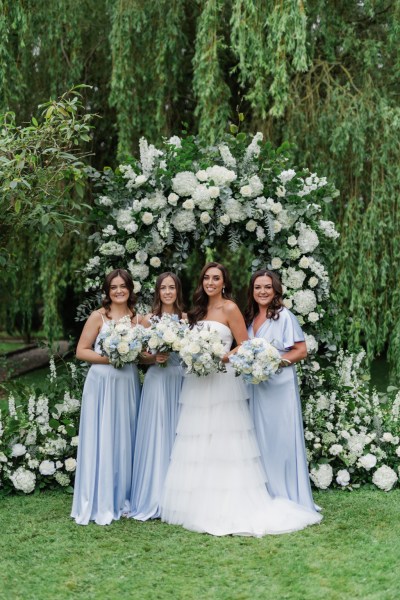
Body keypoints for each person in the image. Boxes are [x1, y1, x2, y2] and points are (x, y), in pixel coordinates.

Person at [160, 262, 322, 536]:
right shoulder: (197, 311)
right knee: (198, 437)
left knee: (226, 439)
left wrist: (224, 355)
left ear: (224, 282)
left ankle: (231, 500)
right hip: (199, 383)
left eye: (216, 278)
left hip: (223, 381)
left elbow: (243, 344)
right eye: (206, 278)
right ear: (201, 282)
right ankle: (199, 500)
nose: (210, 282)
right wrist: (194, 353)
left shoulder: (232, 308)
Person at [71, 269, 142, 525]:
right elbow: (81, 351)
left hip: (127, 384)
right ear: (107, 291)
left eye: (123, 286)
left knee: (125, 438)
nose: (119, 291)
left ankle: (122, 496)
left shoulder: (138, 320)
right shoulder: (98, 317)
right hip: (101, 383)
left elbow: (145, 352)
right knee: (101, 436)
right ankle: (98, 498)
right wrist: (111, 358)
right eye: (114, 287)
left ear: (130, 289)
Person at [245, 269, 319, 512]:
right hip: (257, 387)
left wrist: (275, 362)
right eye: (258, 287)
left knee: (281, 438)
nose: (262, 291)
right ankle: (264, 492)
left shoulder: (284, 316)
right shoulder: (250, 317)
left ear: (276, 289)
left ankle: (286, 492)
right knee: (259, 437)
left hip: (279, 386)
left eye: (267, 287)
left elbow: (301, 350)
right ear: (252, 291)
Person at [129, 272, 186, 520]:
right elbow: (137, 355)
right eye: (163, 288)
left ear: (177, 291)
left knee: (178, 434)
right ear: (157, 292)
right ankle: (153, 495)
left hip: (180, 378)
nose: (168, 292)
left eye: (172, 287)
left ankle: (178, 497)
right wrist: (153, 357)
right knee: (156, 433)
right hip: (156, 379)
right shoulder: (146, 320)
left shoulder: (187, 319)